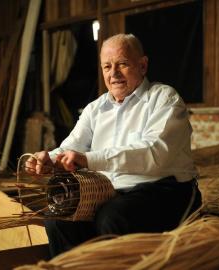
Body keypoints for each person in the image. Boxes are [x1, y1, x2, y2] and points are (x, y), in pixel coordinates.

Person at [25, 33, 202, 258]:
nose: (114, 74)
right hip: (110, 194)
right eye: (107, 66)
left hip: (166, 190)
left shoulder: (164, 98)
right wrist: (48, 159)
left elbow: (155, 154)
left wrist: (88, 159)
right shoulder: (95, 109)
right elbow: (72, 146)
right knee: (57, 219)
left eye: (123, 64)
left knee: (112, 217)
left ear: (143, 65)